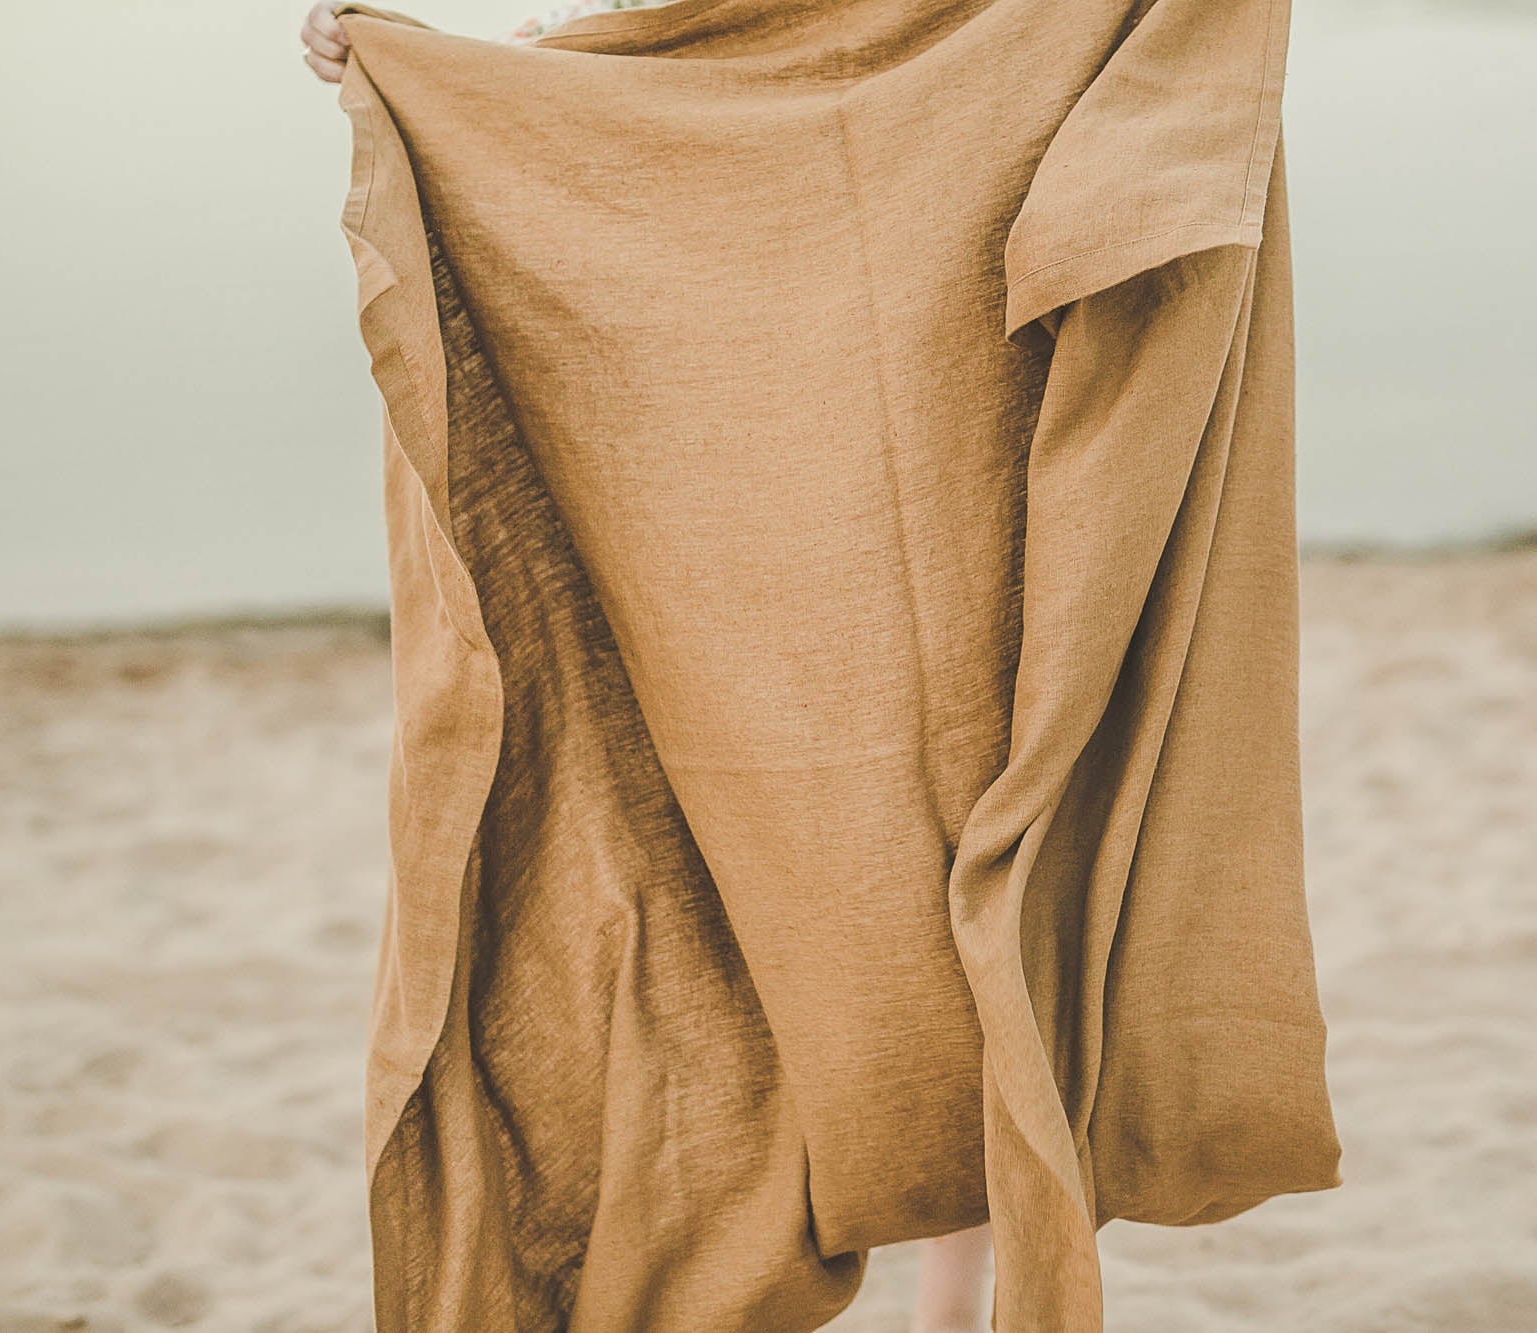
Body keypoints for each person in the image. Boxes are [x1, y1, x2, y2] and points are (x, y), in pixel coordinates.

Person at [299, 4, 997, 1328]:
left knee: (937, 875)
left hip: (876, 437)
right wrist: (405, 60)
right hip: (695, 466)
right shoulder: (619, 45)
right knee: (697, 878)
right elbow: (571, 109)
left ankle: (954, 1305)